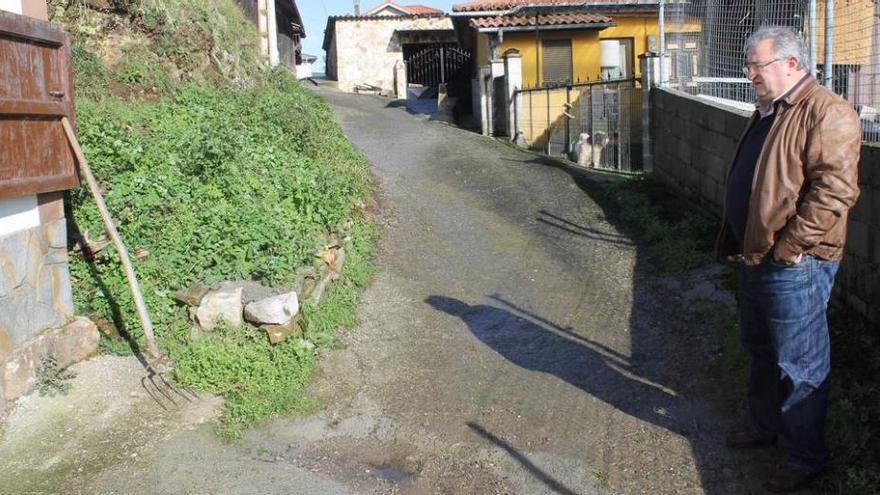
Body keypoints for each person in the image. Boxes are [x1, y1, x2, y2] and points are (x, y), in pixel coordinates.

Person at [718, 25, 861, 492]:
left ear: (792, 64)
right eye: (750, 65)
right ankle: (765, 428)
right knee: (760, 350)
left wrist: (790, 248)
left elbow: (834, 192)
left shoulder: (828, 112)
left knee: (799, 365)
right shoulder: (771, 111)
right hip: (757, 256)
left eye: (756, 65)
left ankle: (804, 458)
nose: (749, 73)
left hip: (794, 264)